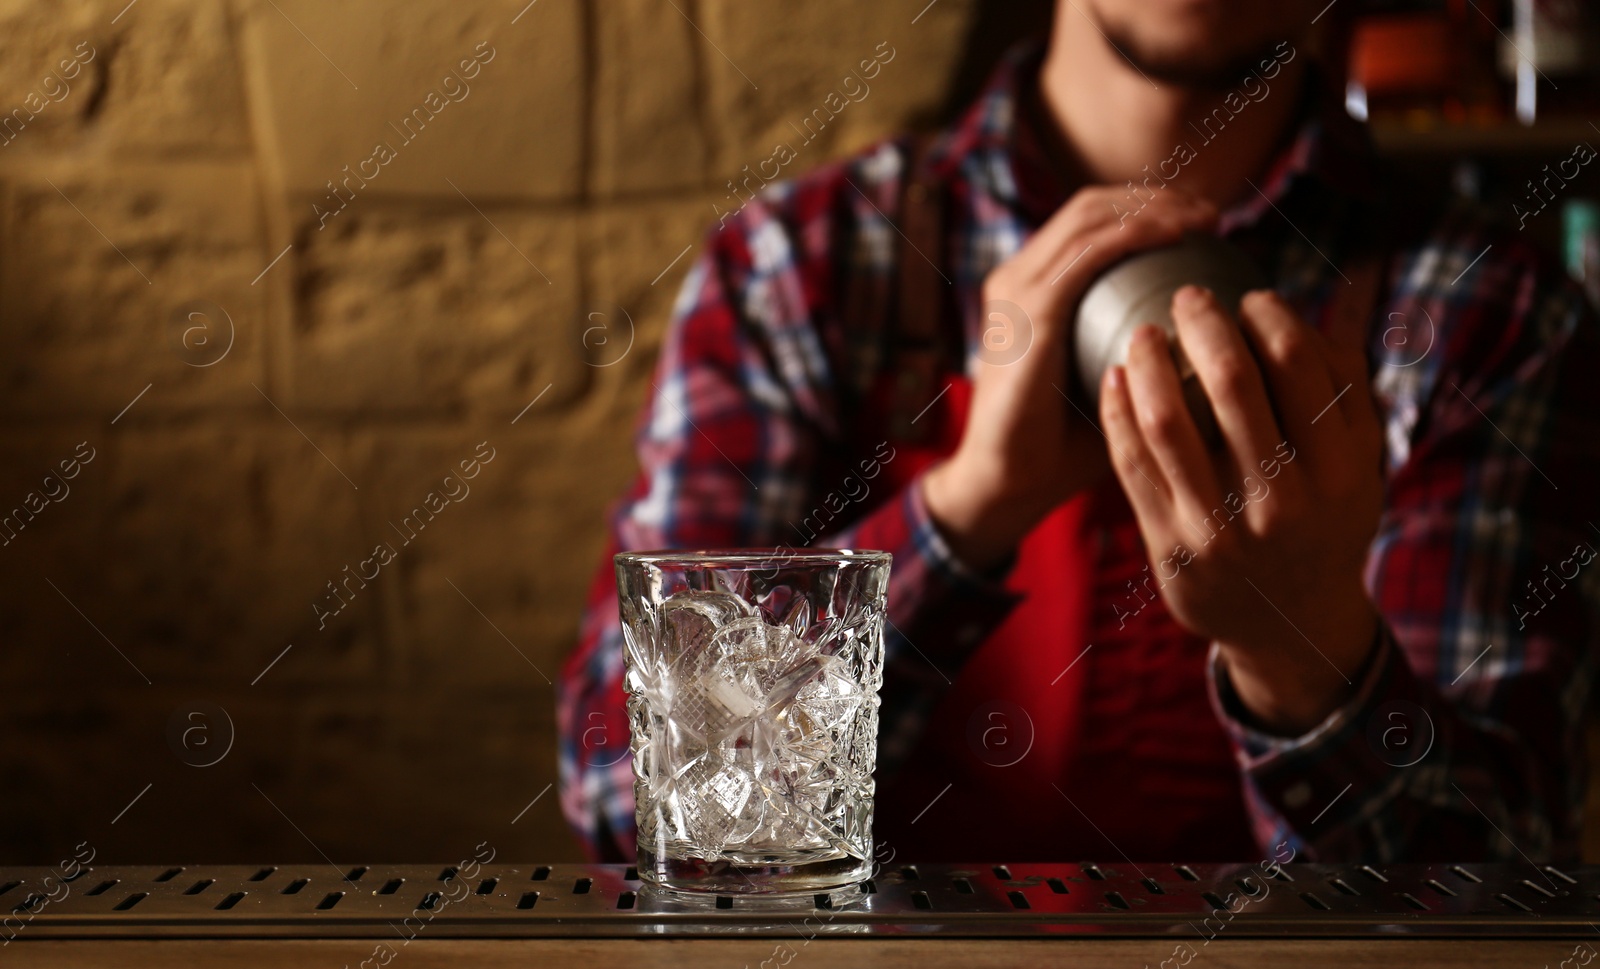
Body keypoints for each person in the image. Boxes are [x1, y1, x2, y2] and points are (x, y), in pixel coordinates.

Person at [558, 0, 1599, 864]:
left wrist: (1302, 642)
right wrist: (962, 511)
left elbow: (1486, 897)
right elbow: (631, 802)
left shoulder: (1482, 314)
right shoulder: (807, 269)